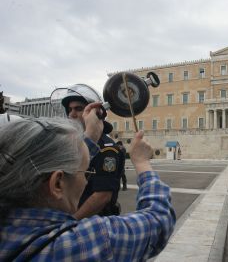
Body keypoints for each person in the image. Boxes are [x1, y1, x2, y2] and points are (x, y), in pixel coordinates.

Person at [0, 117, 175, 261]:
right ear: (57, 184)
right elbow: (158, 219)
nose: (85, 181)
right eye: (86, 173)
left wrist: (88, 138)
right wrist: (142, 162)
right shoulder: (83, 243)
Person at [60, 84, 123, 219]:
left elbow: (102, 196)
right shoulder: (75, 142)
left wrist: (71, 222)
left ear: (94, 113)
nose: (72, 114)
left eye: (78, 109)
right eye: (69, 109)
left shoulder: (107, 148)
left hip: (94, 224)